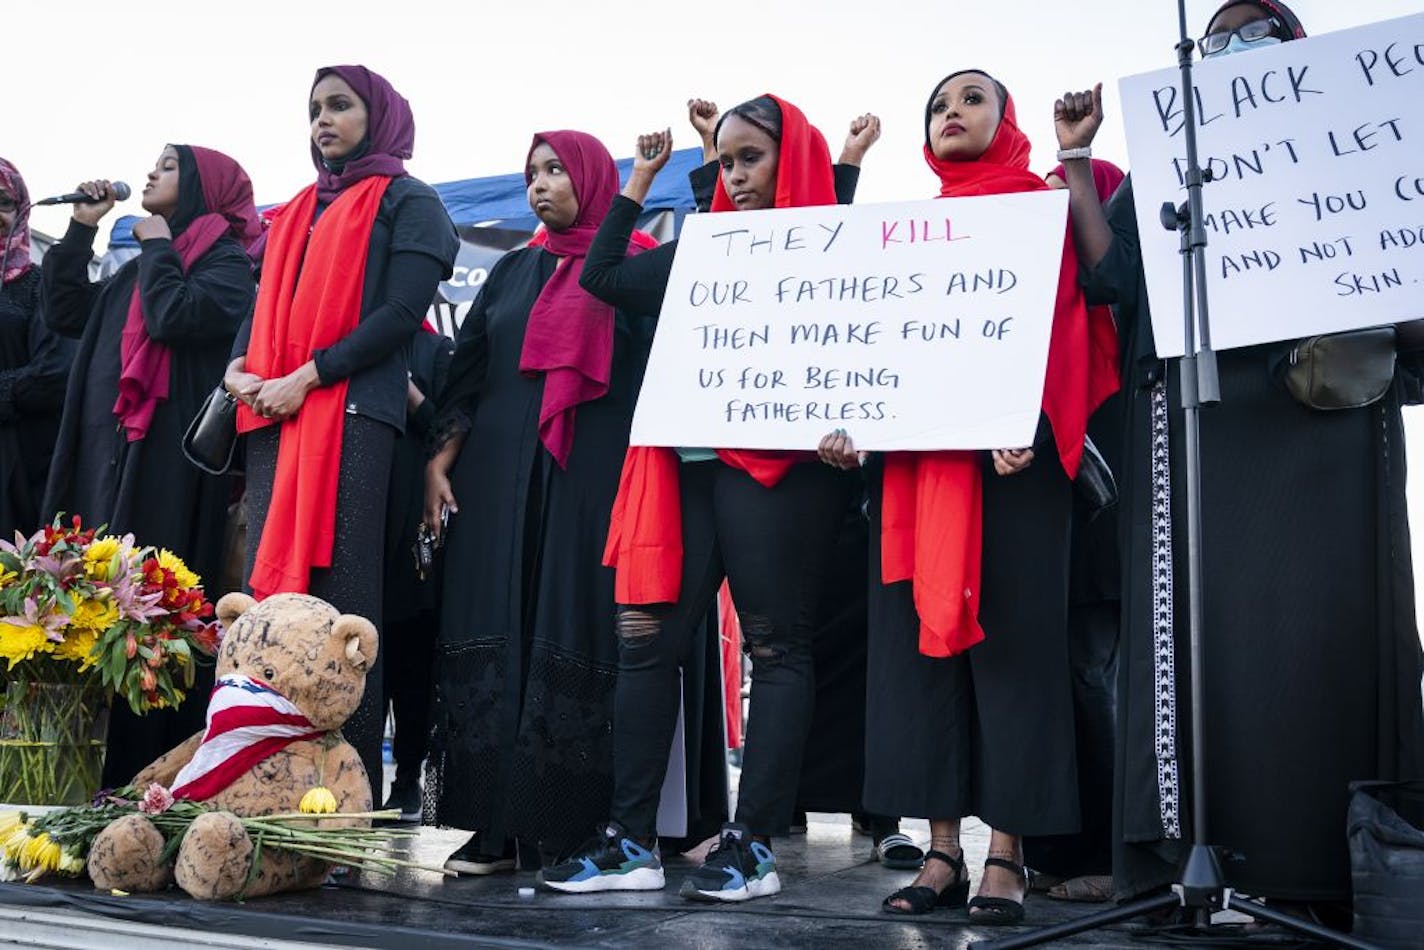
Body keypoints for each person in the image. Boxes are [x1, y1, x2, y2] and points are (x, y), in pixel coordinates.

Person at [1054, 0, 1424, 912]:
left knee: (1326, 633)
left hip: (1325, 427)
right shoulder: (1171, 162)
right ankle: (1185, 860)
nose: (1235, 42)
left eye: (1259, 27)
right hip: (1201, 435)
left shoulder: (1365, 138)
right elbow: (1113, 276)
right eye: (1219, 33)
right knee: (1197, 638)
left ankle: (1340, 868)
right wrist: (1074, 159)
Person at [537, 96, 857, 903]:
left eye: (753, 158)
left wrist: (854, 428)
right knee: (644, 639)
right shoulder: (700, 247)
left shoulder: (838, 249)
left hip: (784, 471)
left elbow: (868, 356)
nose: (736, 175)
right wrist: (639, 179)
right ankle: (630, 842)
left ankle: (751, 845)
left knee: (775, 648)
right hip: (681, 466)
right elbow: (604, 276)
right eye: (726, 159)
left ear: (795, 161)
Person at [820, 70, 1118, 923]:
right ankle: (942, 851)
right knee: (922, 665)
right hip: (918, 477)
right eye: (938, 106)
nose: (951, 113)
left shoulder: (1039, 205)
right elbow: (871, 348)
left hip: (1017, 475)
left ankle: (1007, 858)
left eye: (970, 100)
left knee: (1014, 663)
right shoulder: (910, 234)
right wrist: (851, 430)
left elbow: (1089, 314)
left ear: (1006, 116)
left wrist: (1038, 419)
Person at [421, 130, 658, 873]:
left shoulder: (632, 266)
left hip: (591, 472)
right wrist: (438, 466)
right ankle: (491, 829)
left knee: (572, 618)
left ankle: (564, 826)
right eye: (531, 174)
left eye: (555, 170)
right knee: (492, 617)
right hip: (495, 476)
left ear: (589, 176)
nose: (540, 185)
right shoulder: (513, 271)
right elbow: (469, 373)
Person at [226, 65, 458, 804]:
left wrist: (313, 375)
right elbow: (263, 308)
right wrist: (239, 369)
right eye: (314, 109)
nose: (323, 120)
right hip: (276, 421)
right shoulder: (295, 212)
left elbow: (398, 316)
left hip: (355, 420)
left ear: (379, 115)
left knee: (341, 617)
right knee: (272, 615)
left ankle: (345, 805)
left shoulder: (411, 203)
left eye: (340, 106)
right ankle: (264, 789)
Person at [40, 145, 260, 784]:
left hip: (162, 467)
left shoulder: (226, 265)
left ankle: (142, 771)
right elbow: (66, 313)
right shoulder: (137, 267)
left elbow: (173, 316)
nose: (148, 174)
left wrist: (158, 245)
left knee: (151, 611)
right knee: (88, 597)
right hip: (101, 457)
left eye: (167, 166)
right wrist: (82, 230)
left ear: (200, 185)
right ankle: (82, 765)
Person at [1022, 158, 1126, 905]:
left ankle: (1110, 855)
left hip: (1101, 534)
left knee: (1096, 687)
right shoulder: (1025, 295)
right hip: (1035, 528)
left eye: (1075, 195)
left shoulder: (1116, 294)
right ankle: (1053, 850)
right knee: (1048, 687)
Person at [378, 322, 453, 822]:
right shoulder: (353, 342)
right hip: (361, 526)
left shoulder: (437, 350)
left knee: (409, 660)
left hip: (413, 535)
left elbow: (450, 429)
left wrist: (409, 396)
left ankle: (407, 780)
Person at [1, 158, 74, 542]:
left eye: (3, 201)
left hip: (16, 462)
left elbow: (55, 372)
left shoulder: (40, 285)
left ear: (21, 211)